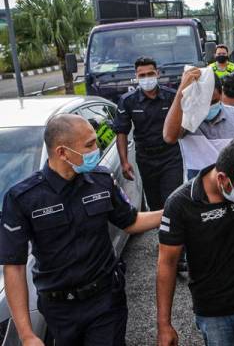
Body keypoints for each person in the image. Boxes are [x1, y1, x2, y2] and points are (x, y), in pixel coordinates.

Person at [0, 114, 163, 346]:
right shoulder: (23, 198)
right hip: (60, 310)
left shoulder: (101, 180)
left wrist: (172, 212)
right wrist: (27, 334)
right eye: (89, 145)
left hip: (105, 300)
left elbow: (130, 221)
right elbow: (14, 267)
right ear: (62, 152)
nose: (96, 149)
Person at [156, 138, 234, 346]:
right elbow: (167, 263)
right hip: (214, 312)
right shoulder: (180, 204)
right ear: (222, 179)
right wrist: (164, 325)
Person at [114, 57, 183, 211]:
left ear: (157, 73)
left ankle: (175, 232)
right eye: (142, 75)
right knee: (155, 203)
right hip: (146, 159)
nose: (146, 78)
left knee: (173, 200)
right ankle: (162, 231)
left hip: (170, 156)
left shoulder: (171, 97)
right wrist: (124, 162)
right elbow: (121, 132)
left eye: (150, 74)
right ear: (136, 77)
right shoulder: (128, 101)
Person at [163, 68, 234, 180]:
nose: (208, 108)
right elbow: (169, 137)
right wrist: (181, 93)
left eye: (213, 102)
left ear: (221, 93)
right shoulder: (187, 119)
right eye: (203, 103)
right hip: (197, 190)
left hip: (232, 187)